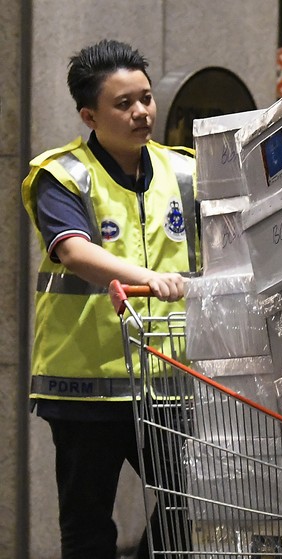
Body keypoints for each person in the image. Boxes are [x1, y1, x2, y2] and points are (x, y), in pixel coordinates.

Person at [21, 39, 198, 558]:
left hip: (168, 380)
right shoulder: (61, 176)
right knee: (88, 525)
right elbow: (74, 252)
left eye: (145, 98)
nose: (141, 112)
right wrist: (149, 276)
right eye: (124, 103)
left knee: (186, 513)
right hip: (84, 387)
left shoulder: (185, 172)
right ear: (89, 115)